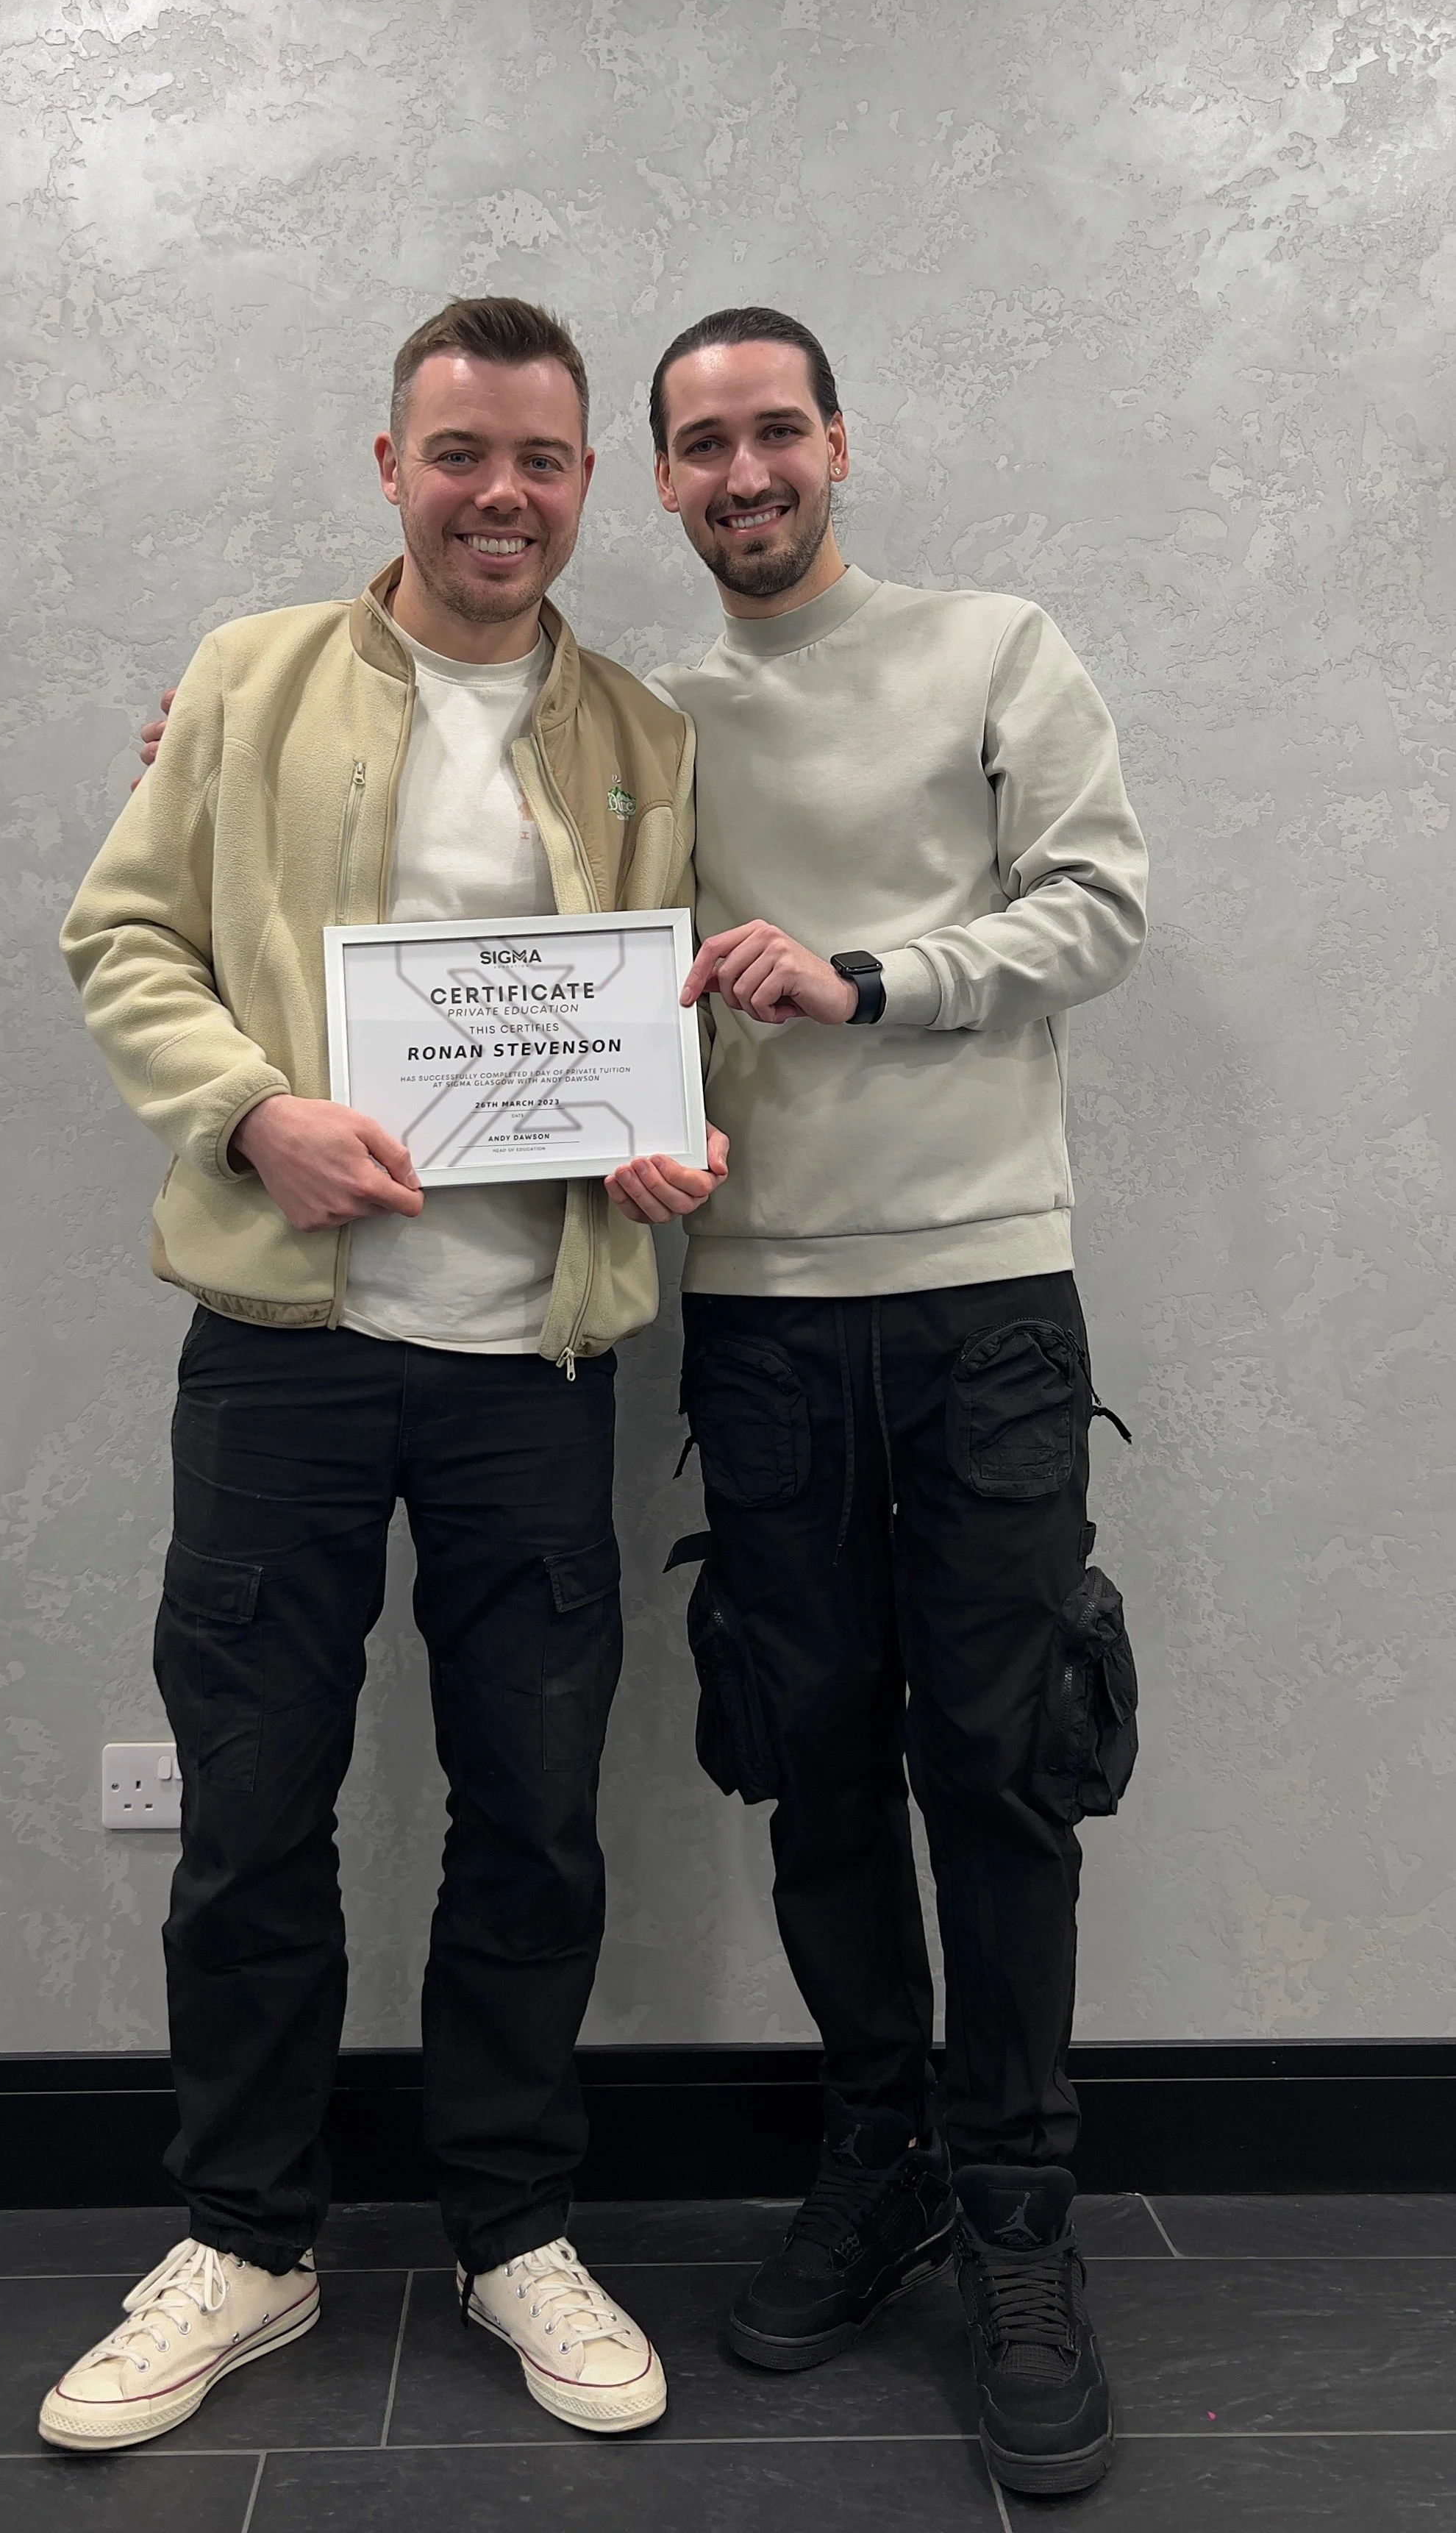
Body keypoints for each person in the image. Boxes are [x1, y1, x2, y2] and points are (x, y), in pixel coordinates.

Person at [46, 295, 727, 2455]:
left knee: (533, 1820)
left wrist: (668, 1129)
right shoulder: (245, 685)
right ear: (391, 465)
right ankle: (244, 2241)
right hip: (283, 1353)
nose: (499, 496)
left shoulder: (639, 730)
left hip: (537, 1360)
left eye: (537, 461)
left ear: (582, 486)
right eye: (459, 456)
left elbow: (660, 1007)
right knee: (248, 1821)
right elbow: (122, 939)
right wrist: (256, 1114)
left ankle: (514, 2222)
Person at [618, 304, 1148, 2501]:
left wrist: (871, 977)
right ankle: (879, 2160)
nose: (740, 473)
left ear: (836, 442)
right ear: (658, 485)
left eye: (772, 432)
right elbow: (470, 894)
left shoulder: (995, 647)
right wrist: (219, 748)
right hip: (748, 1303)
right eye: (697, 447)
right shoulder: (637, 723)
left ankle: (1019, 2209)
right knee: (813, 1766)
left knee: (998, 1768)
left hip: (979, 1299)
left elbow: (1102, 903)